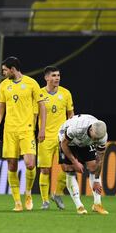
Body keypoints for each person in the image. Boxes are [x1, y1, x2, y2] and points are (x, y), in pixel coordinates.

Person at [0, 56, 46, 212]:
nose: (3, 73)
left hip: (27, 129)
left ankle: (28, 192)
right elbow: (0, 107)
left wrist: (42, 128)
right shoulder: (4, 85)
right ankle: (17, 201)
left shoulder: (31, 83)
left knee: (30, 164)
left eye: (5, 70)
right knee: (12, 165)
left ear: (12, 69)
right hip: (9, 130)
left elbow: (42, 107)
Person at [34, 66, 74, 210]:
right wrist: (36, 130)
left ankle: (57, 193)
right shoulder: (39, 93)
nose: (57, 78)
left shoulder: (66, 93)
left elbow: (71, 115)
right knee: (45, 170)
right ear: (46, 78)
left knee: (67, 167)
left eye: (58, 75)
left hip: (62, 138)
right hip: (45, 137)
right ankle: (45, 201)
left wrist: (71, 132)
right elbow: (35, 114)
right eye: (54, 75)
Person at [58, 114, 109, 215]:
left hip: (85, 142)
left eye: (97, 140)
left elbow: (100, 159)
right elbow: (64, 144)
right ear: (90, 131)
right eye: (94, 138)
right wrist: (75, 162)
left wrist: (96, 179)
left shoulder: (102, 137)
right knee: (69, 169)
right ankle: (79, 206)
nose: (96, 141)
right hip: (68, 140)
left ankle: (97, 204)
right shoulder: (77, 128)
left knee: (93, 166)